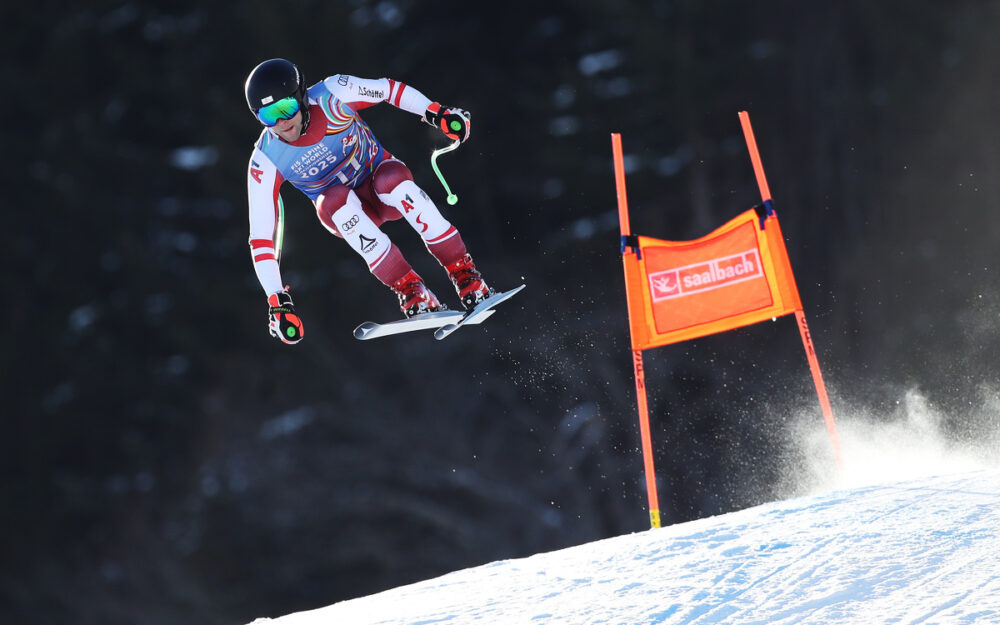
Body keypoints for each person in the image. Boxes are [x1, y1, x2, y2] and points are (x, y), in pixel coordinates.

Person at [244, 58, 492, 344]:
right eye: (268, 116)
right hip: (348, 210)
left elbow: (388, 90)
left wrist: (436, 113)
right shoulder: (266, 159)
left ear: (301, 97)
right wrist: (277, 301)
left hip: (382, 186)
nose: (281, 122)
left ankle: (465, 275)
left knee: (393, 182)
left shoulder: (332, 95)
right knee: (333, 201)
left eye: (285, 108)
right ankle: (412, 291)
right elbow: (261, 237)